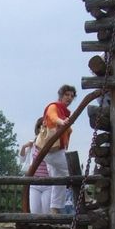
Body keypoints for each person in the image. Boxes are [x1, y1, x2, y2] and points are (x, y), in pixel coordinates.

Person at [38, 84, 78, 214]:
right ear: (61, 95)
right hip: (51, 150)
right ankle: (83, 194)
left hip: (57, 150)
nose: (69, 98)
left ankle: (55, 209)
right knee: (73, 169)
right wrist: (62, 122)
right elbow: (52, 116)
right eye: (67, 95)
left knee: (59, 181)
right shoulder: (54, 107)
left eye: (72, 96)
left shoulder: (65, 113)